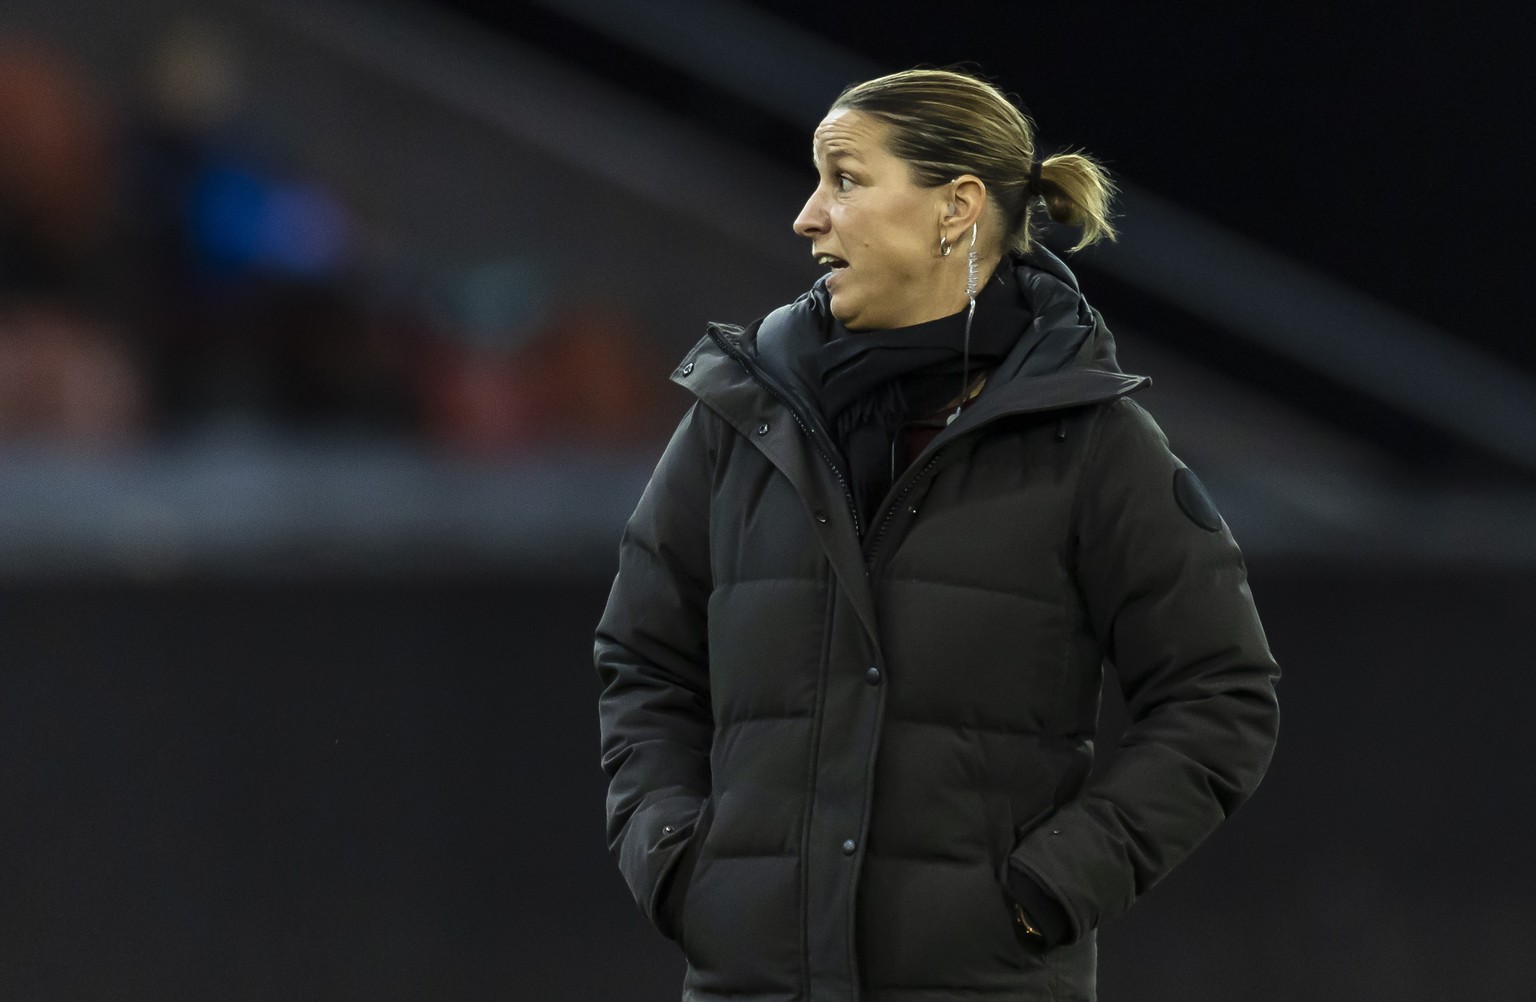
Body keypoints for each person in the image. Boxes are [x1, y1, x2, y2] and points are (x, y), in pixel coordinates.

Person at [595, 68, 1280, 1002]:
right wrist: (675, 863)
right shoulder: (738, 418)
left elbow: (1221, 697)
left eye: (844, 178)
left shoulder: (1094, 445)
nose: (807, 216)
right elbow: (643, 661)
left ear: (956, 208)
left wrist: (1047, 892)